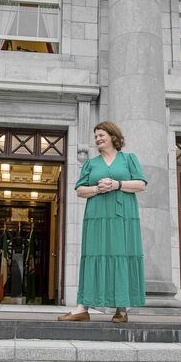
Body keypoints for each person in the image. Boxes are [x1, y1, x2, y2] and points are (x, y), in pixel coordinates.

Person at [58, 121, 147, 323]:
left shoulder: (129, 159)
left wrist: (117, 184)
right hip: (97, 216)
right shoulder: (91, 163)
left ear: (113, 136)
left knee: (121, 256)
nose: (97, 139)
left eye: (101, 135)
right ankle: (83, 307)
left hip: (123, 217)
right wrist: (98, 189)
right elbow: (80, 190)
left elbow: (141, 184)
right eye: (96, 136)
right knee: (93, 256)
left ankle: (122, 309)